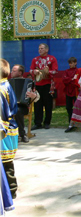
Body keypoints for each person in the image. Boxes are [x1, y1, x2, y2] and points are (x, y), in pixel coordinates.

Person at [0, 59, 19, 199]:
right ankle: (11, 190)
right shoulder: (6, 84)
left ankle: (11, 191)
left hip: (4, 130)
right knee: (7, 163)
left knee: (5, 163)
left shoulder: (1, 88)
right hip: (9, 128)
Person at [30, 43, 58, 130]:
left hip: (48, 85)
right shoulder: (35, 59)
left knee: (48, 104)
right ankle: (38, 123)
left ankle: (47, 122)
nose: (40, 50)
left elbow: (55, 71)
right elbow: (30, 70)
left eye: (42, 48)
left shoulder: (52, 59)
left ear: (46, 50)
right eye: (39, 48)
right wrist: (34, 71)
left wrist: (48, 72)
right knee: (38, 104)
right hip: (38, 85)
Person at [10, 64, 40, 143]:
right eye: (11, 70)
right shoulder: (8, 82)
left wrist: (34, 96)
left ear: (20, 73)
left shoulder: (28, 82)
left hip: (23, 107)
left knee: (18, 111)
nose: (11, 72)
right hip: (10, 107)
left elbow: (37, 97)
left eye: (14, 71)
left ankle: (22, 134)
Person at [62, 57, 81, 125]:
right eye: (69, 63)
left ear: (75, 63)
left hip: (75, 91)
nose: (70, 64)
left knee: (77, 107)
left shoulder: (77, 70)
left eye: (72, 63)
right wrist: (71, 79)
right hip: (68, 91)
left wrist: (70, 80)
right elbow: (64, 80)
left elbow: (76, 81)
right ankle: (70, 120)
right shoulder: (66, 71)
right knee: (68, 107)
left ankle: (77, 121)